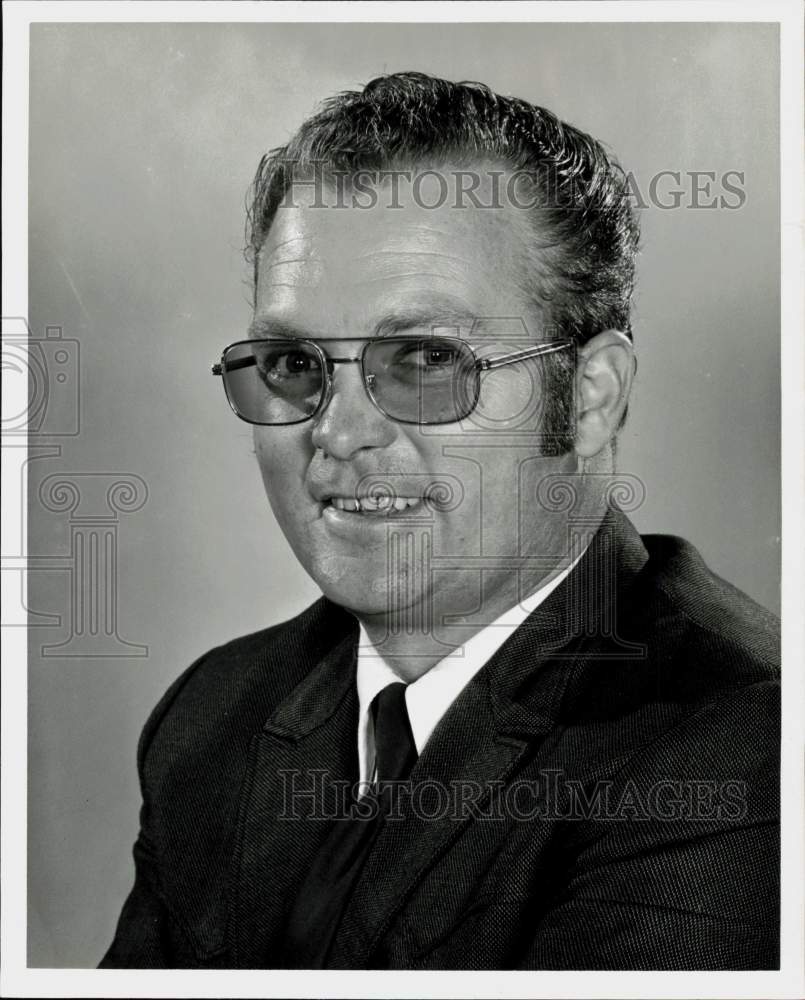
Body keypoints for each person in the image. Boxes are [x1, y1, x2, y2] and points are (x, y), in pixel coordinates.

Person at [100, 72, 780, 970]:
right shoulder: (212, 717)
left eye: (424, 358)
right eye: (296, 361)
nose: (337, 435)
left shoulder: (738, 747)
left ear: (587, 395)